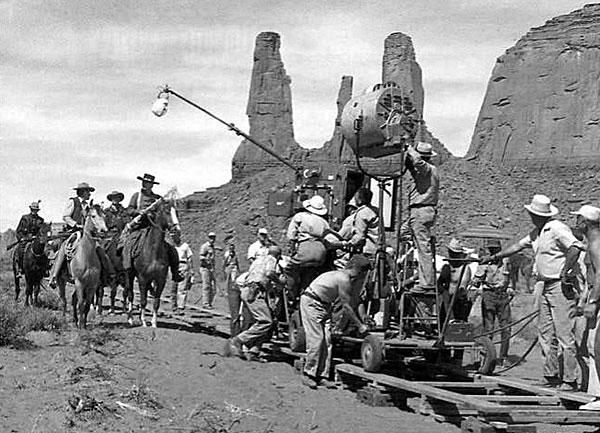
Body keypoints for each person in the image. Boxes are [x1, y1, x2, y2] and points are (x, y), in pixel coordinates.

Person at [482, 194, 585, 391]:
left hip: (558, 285)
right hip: (545, 285)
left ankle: (570, 380)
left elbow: (575, 247)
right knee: (545, 332)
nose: (530, 216)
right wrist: (495, 256)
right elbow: (517, 246)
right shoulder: (537, 233)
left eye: (532, 213)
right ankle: (551, 375)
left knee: (564, 333)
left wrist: (565, 272)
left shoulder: (556, 228)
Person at [300, 255, 372, 389]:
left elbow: (355, 301)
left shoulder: (351, 280)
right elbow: (346, 306)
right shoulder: (343, 278)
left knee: (327, 341)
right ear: (360, 271)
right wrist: (360, 326)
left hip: (325, 305)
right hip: (312, 302)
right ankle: (308, 374)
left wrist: (364, 317)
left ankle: (322, 375)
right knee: (316, 339)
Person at [49, 182, 114, 288]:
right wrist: (76, 225)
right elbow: (65, 216)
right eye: (88, 192)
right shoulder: (73, 202)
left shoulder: (89, 206)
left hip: (87, 234)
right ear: (82, 192)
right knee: (64, 248)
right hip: (73, 232)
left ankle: (108, 275)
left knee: (99, 249)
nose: (89, 194)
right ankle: (54, 276)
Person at [120, 173, 183, 282]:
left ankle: (175, 272)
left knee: (172, 250)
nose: (146, 184)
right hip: (139, 227)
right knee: (128, 244)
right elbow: (129, 210)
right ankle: (128, 269)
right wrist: (138, 212)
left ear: (152, 185)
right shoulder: (136, 196)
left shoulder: (157, 199)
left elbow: (163, 213)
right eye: (144, 182)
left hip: (153, 227)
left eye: (148, 183)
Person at [225, 246, 284, 361]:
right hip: (254, 291)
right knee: (266, 321)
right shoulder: (271, 259)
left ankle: (254, 351)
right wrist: (279, 281)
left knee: (264, 322)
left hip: (249, 290)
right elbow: (269, 273)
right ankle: (238, 340)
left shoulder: (258, 260)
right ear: (277, 255)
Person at [570, 205, 600, 410]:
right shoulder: (591, 243)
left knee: (596, 347)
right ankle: (596, 395)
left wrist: (593, 301)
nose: (575, 223)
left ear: (584, 222)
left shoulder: (596, 244)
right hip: (592, 294)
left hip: (597, 298)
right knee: (591, 346)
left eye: (577, 219)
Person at [400, 141, 440, 292]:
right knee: (405, 233)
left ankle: (427, 283)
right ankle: (422, 276)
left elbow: (417, 162)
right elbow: (414, 166)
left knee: (423, 248)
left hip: (421, 211)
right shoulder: (429, 171)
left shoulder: (427, 169)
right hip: (422, 212)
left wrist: (410, 150)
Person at [472, 238, 513, 366]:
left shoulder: (506, 261)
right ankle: (486, 356)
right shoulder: (485, 263)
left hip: (503, 295)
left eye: (497, 249)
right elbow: (477, 280)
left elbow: (510, 276)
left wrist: (511, 287)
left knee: (506, 327)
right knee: (489, 327)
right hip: (489, 294)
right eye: (492, 249)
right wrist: (477, 280)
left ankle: (503, 357)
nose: (494, 251)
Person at [285, 195, 331, 299]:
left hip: (305, 248)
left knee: (290, 270)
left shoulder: (300, 216)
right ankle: (305, 295)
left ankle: (291, 295)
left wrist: (292, 248)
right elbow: (329, 239)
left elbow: (291, 235)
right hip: (320, 252)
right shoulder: (324, 222)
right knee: (309, 273)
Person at [437, 238, 472, 322]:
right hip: (446, 302)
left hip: (459, 301)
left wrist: (452, 299)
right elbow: (439, 283)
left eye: (455, 254)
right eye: (451, 253)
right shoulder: (446, 267)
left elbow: (462, 287)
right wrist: (445, 294)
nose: (452, 256)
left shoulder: (465, 269)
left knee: (459, 326)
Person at [14, 200, 45, 278]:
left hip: (36, 240)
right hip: (25, 239)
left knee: (45, 250)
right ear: (31, 209)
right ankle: (19, 269)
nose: (34, 211)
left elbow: (42, 232)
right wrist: (21, 238)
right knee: (19, 250)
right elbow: (19, 230)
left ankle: (45, 269)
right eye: (33, 209)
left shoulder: (41, 220)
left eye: (36, 210)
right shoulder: (25, 218)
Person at [345, 188, 379, 256]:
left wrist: (348, 243)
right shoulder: (376, 210)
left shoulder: (362, 213)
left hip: (367, 250)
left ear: (360, 200)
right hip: (377, 247)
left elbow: (360, 236)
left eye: (356, 197)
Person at [170, 231, 194, 315]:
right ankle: (173, 306)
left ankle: (180, 307)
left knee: (182, 288)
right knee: (173, 287)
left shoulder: (185, 246)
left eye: (175, 236)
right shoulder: (172, 247)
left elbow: (190, 258)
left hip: (183, 265)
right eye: (172, 237)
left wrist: (191, 270)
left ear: (179, 236)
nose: (173, 238)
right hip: (174, 266)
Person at [199, 232, 217, 309]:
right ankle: (205, 303)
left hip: (211, 268)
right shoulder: (205, 246)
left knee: (213, 287)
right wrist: (206, 260)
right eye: (210, 237)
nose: (212, 239)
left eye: (213, 238)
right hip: (205, 268)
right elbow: (201, 257)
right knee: (206, 286)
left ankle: (209, 302)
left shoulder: (212, 247)